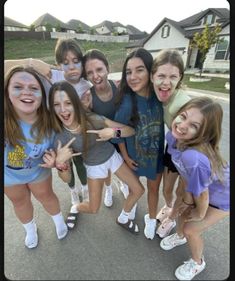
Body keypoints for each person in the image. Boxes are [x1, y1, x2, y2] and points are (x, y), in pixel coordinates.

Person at [48, 80, 145, 233]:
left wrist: (114, 132)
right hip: (94, 166)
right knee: (93, 208)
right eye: (56, 104)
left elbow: (130, 131)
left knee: (139, 190)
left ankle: (124, 217)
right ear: (51, 108)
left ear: (75, 103)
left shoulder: (92, 118)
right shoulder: (60, 137)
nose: (63, 110)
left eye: (67, 103)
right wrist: (60, 164)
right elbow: (66, 178)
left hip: (111, 156)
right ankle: (75, 207)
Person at [5, 38, 92, 206]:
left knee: (79, 160)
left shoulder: (86, 85)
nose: (72, 67)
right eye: (65, 62)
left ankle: (85, 188)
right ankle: (73, 191)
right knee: (64, 163)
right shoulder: (51, 75)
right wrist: (31, 62)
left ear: (82, 62)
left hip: (75, 129)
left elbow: (88, 112)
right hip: (55, 130)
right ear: (58, 64)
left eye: (76, 61)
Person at [159, 97, 230, 280]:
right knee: (184, 211)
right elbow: (185, 174)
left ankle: (198, 262)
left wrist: (199, 213)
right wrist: (186, 200)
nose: (182, 126)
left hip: (223, 198)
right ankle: (180, 236)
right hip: (204, 190)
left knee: (192, 228)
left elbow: (203, 195)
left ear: (205, 134)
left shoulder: (194, 157)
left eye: (194, 126)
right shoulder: (173, 137)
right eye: (183, 116)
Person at [4, 66, 68, 249]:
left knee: (46, 195)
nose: (26, 92)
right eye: (17, 86)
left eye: (33, 88)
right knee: (20, 202)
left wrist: (57, 160)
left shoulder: (50, 122)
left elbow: (60, 156)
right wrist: (31, 61)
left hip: (38, 171)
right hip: (9, 176)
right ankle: (30, 229)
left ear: (42, 95)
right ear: (7, 92)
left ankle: (58, 220)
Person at [113, 48, 165, 240]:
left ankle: (152, 219)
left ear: (150, 71)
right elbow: (116, 132)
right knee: (135, 190)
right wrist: (125, 156)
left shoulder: (160, 97)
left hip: (156, 156)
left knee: (153, 190)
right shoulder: (127, 102)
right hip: (133, 158)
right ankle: (129, 209)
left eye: (139, 70)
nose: (133, 77)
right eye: (128, 72)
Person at [150, 49, 191, 238]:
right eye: (161, 76)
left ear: (180, 78)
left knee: (183, 192)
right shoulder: (158, 96)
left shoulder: (182, 102)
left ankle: (173, 217)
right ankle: (168, 207)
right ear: (152, 77)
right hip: (172, 148)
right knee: (167, 189)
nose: (166, 82)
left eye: (173, 76)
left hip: (189, 154)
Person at [83, 48, 127, 208]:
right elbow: (88, 121)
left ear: (107, 68)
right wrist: (86, 109)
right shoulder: (88, 96)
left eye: (99, 69)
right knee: (108, 168)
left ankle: (124, 184)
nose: (95, 76)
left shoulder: (119, 88)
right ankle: (109, 188)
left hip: (121, 136)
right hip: (104, 140)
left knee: (125, 164)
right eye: (90, 72)